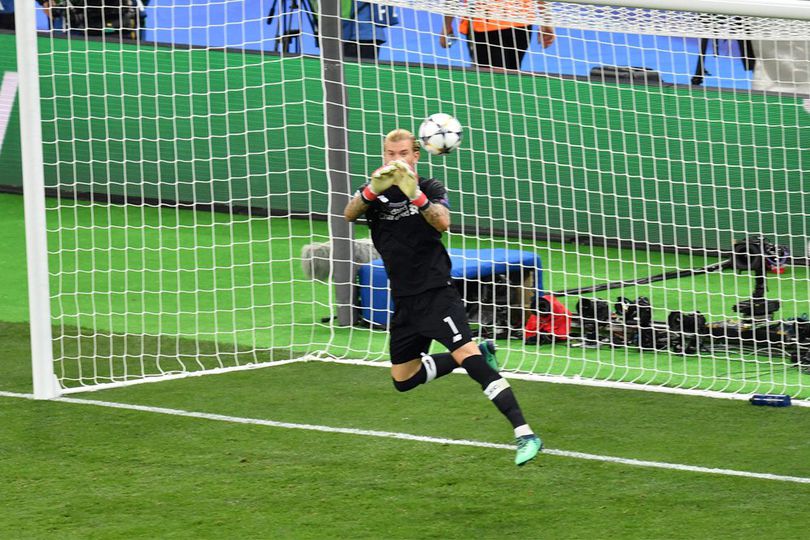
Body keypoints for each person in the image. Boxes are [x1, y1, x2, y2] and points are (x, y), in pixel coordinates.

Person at [343, 129, 543, 466]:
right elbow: (349, 213)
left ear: (415, 155)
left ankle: (525, 433)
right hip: (404, 300)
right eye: (390, 154)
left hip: (436, 293)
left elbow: (442, 222)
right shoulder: (375, 192)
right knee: (403, 380)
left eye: (403, 153)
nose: (396, 160)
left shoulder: (431, 188)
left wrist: (415, 194)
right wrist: (369, 191)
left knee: (470, 360)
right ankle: (480, 352)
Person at [439, 1, 555, 70]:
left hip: (485, 22)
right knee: (510, 74)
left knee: (489, 80)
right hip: (520, 19)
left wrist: (446, 25)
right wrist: (547, 21)